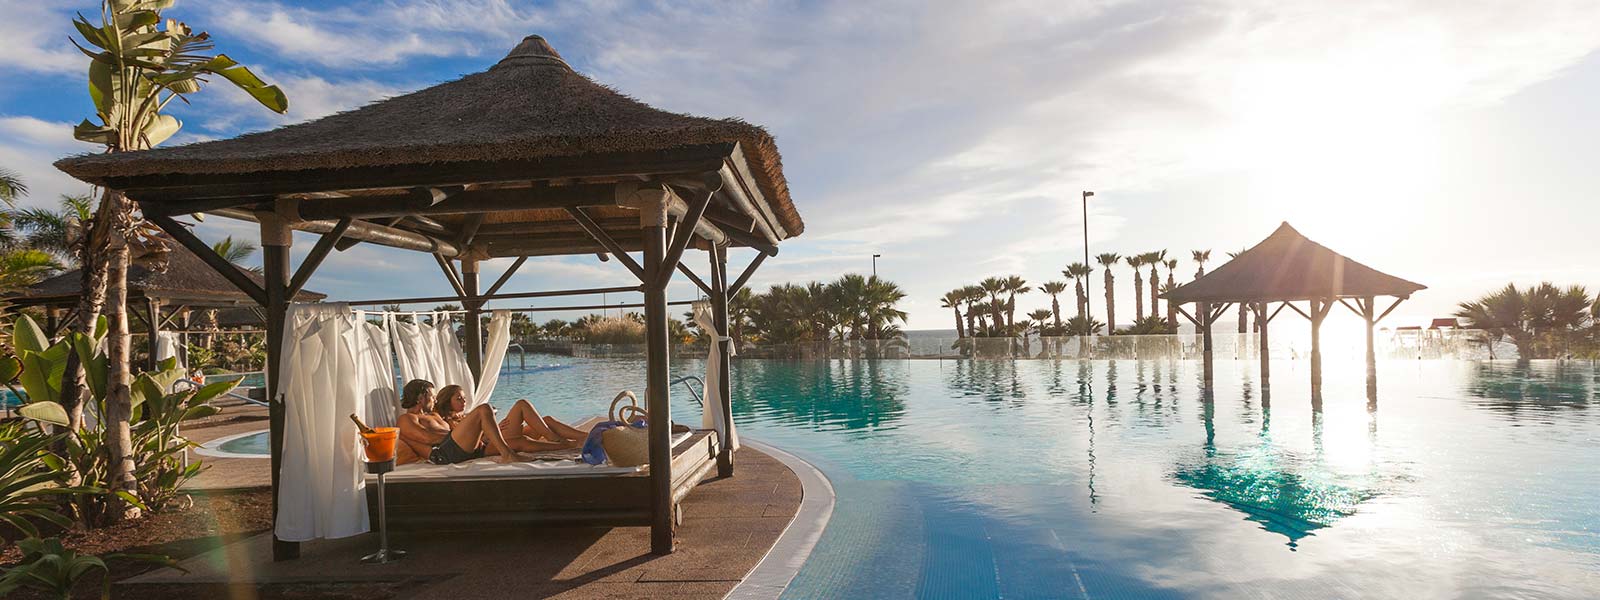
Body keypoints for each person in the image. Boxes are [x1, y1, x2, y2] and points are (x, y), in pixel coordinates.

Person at [396, 379, 521, 465]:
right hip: (443, 454)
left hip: (457, 447)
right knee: (483, 408)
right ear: (420, 398)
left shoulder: (434, 414)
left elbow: (451, 416)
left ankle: (519, 453)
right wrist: (464, 433)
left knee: (521, 439)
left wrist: (472, 432)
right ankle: (507, 455)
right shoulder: (407, 419)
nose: (435, 400)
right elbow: (427, 438)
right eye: (432, 397)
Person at [432, 385, 590, 452]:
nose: (464, 401)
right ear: (448, 401)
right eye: (458, 399)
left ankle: (588, 437)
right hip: (489, 445)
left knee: (546, 419)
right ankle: (560, 441)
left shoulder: (465, 416)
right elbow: (470, 442)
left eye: (464, 398)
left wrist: (494, 425)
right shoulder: (445, 421)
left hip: (494, 437)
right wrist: (489, 431)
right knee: (521, 407)